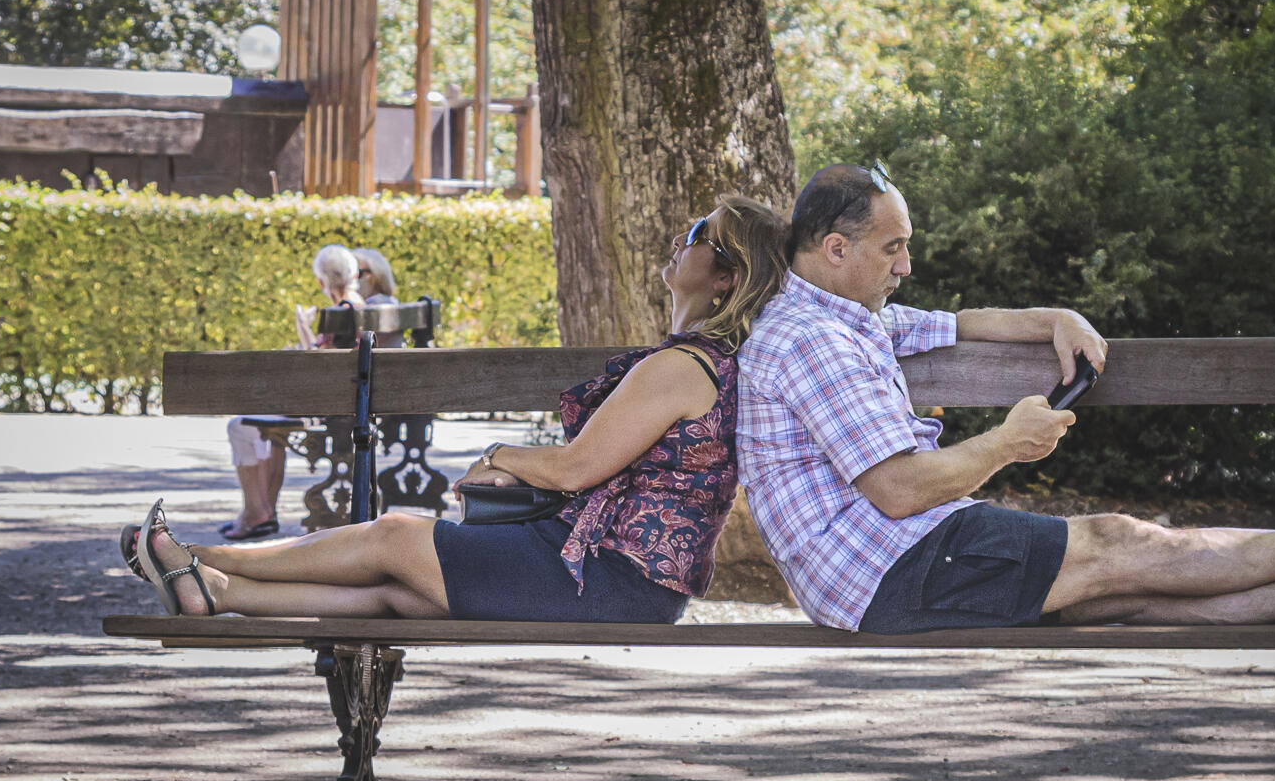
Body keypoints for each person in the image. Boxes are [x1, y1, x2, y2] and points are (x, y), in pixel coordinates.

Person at [736, 164, 1275, 635]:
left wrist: (1056, 319)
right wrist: (1007, 441)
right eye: (893, 248)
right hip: (887, 568)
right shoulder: (810, 341)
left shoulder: (846, 314)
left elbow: (955, 324)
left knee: (1125, 597)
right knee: (1119, 541)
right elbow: (895, 489)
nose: (908, 264)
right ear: (835, 248)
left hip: (888, 564)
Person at [126, 196, 790, 622]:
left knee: (392, 536)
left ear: (727, 275)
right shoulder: (698, 360)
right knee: (396, 593)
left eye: (701, 230)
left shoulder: (684, 365)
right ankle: (213, 590)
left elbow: (573, 468)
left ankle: (196, 553)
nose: (684, 232)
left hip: (609, 577)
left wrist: (497, 456)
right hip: (605, 568)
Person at [220, 243, 366, 541]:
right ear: (353, 273)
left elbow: (316, 364)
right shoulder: (364, 306)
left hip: (329, 405)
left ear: (321, 282)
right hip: (350, 403)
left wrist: (302, 326)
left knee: (240, 426)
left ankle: (256, 512)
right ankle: (261, 513)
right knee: (262, 429)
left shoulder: (340, 313)